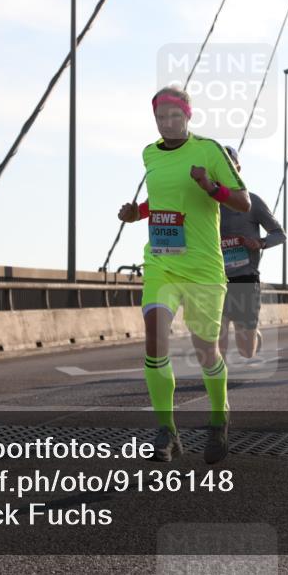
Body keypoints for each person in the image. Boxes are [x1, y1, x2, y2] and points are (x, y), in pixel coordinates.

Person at [118, 85, 250, 464]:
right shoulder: (148, 154)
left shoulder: (209, 151)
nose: (168, 123)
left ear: (189, 116)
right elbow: (160, 202)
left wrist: (209, 186)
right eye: (161, 117)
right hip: (161, 262)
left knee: (205, 351)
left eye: (175, 116)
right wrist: (136, 214)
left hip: (204, 268)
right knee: (155, 340)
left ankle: (219, 417)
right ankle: (166, 431)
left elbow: (242, 199)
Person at [217, 146, 286, 363]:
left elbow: (279, 234)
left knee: (246, 350)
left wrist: (260, 242)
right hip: (214, 276)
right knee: (217, 330)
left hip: (245, 276)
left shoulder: (252, 201)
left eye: (230, 165)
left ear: (238, 168)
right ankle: (219, 376)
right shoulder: (206, 203)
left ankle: (253, 334)